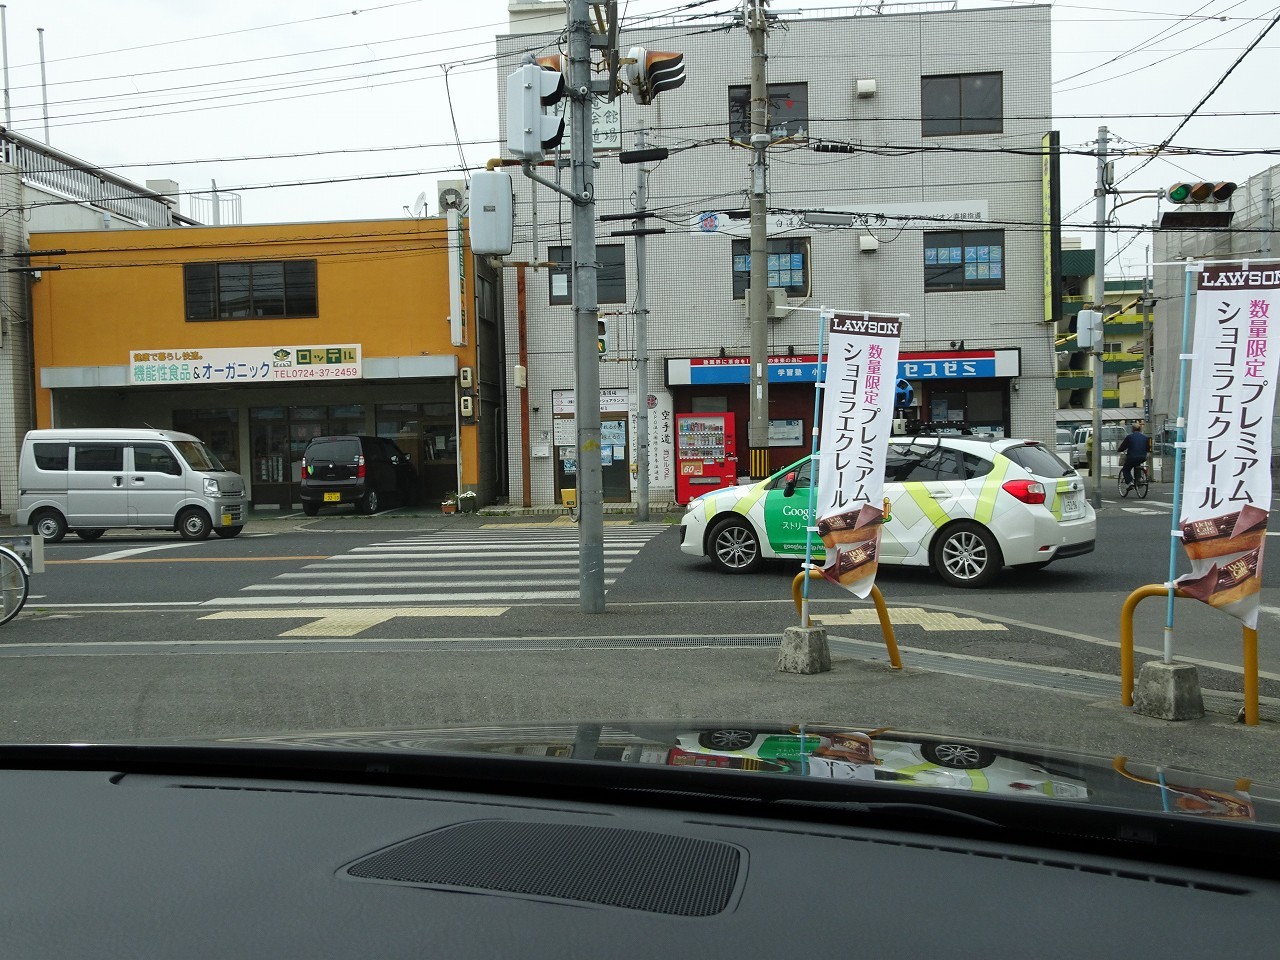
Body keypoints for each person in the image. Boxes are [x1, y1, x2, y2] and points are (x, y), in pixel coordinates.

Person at [1117, 422, 1150, 489]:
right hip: (1142, 457)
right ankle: (1139, 479)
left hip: (1132, 457)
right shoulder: (1146, 438)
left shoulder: (1129, 437)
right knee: (1137, 465)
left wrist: (1119, 450)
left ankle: (1129, 482)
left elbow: (1123, 446)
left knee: (1126, 469)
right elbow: (1149, 448)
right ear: (1140, 429)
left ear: (1132, 429)